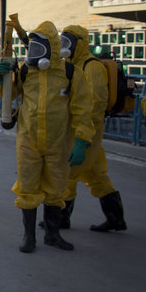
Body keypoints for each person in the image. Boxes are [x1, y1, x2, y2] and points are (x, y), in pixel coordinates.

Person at [0, 20, 94, 253]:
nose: (34, 55)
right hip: (28, 140)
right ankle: (29, 237)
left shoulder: (70, 73)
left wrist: (81, 140)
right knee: (27, 187)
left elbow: (82, 109)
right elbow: (9, 92)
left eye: (39, 49)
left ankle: (52, 234)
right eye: (32, 49)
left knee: (56, 188)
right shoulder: (27, 71)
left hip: (59, 142)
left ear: (52, 49)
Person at [57, 25, 126, 232]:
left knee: (68, 173)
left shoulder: (92, 67)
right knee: (97, 175)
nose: (64, 47)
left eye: (68, 43)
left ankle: (61, 218)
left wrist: (83, 136)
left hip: (88, 132)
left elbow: (95, 104)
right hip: (81, 129)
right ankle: (116, 219)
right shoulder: (71, 65)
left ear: (80, 43)